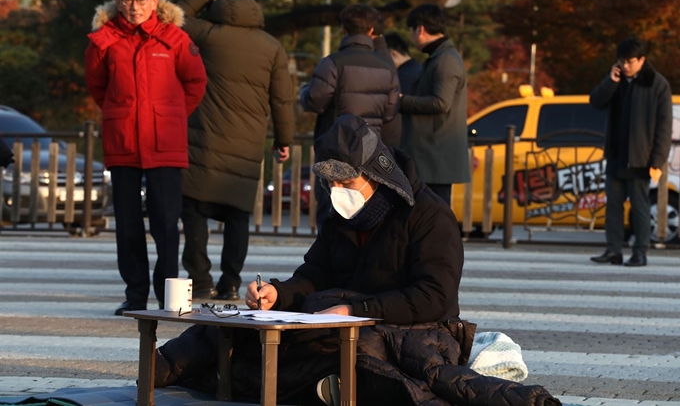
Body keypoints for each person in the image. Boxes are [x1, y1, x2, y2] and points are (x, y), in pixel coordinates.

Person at [153, 115, 561, 406]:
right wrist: (278, 293)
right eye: (331, 184)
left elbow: (434, 296)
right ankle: (161, 369)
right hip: (336, 323)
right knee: (232, 328)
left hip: (411, 330)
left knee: (357, 353)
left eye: (346, 183)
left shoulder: (428, 215)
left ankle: (303, 386)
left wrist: (357, 309)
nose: (337, 191)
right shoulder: (339, 216)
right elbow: (315, 273)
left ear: (376, 174)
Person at [84, 0, 207, 315]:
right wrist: (119, 113)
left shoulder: (175, 39)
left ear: (154, 1)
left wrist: (170, 114)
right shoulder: (103, 41)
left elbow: (196, 81)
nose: (134, 6)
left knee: (166, 223)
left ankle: (167, 293)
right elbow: (97, 87)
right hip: (123, 143)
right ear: (117, 2)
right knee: (127, 224)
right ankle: (135, 294)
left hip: (165, 143)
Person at [176, 0, 294, 300]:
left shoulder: (207, 34)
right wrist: (285, 140)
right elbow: (282, 99)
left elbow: (172, 17)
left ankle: (200, 279)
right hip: (247, 147)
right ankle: (230, 282)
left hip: (202, 140)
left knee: (194, 211)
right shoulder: (272, 47)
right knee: (237, 217)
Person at [300, 3, 400, 224]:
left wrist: (303, 92)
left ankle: (331, 258)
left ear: (343, 30)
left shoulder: (333, 63)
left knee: (331, 212)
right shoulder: (387, 69)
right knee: (367, 214)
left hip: (336, 148)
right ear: (372, 32)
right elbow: (390, 112)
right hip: (371, 150)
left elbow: (314, 100)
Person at [589, 37, 672, 267]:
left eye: (631, 61)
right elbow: (595, 102)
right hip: (616, 155)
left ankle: (640, 252)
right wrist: (610, 81)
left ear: (642, 60)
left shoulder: (657, 84)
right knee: (613, 206)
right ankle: (613, 250)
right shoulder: (616, 80)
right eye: (622, 61)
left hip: (641, 158)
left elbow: (664, 128)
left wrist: (657, 160)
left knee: (640, 208)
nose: (626, 66)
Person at [400, 4, 470, 207]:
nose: (411, 37)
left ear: (420, 29)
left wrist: (402, 101)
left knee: (434, 216)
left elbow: (441, 102)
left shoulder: (445, 60)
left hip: (435, 156)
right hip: (432, 156)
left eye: (411, 31)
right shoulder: (440, 57)